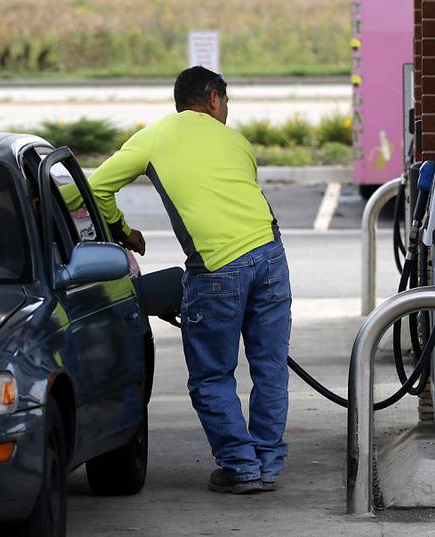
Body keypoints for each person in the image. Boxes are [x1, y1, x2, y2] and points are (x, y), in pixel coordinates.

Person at [65, 66, 292, 494]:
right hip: (271, 256)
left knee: (211, 376)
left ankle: (242, 469)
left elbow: (93, 190)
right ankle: (267, 464)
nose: (225, 110)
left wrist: (121, 231)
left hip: (217, 268)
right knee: (270, 367)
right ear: (212, 99)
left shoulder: (154, 136)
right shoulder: (239, 143)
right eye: (225, 102)